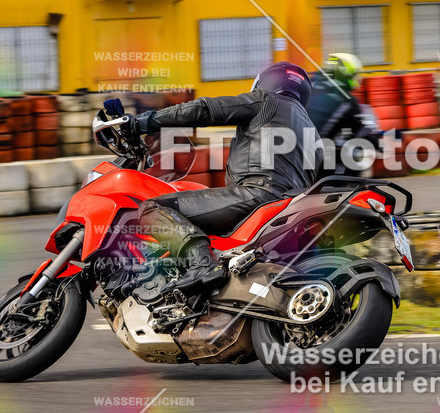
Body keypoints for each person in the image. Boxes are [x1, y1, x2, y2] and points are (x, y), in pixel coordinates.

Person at [127, 61, 321, 304]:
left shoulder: (265, 101)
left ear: (266, 81)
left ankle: (202, 264)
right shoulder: (313, 132)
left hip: (256, 195)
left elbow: (206, 109)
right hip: (287, 208)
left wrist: (142, 122)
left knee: (152, 208)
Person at [306, 53, 380, 176]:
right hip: (314, 160)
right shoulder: (346, 101)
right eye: (354, 75)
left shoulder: (308, 85)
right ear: (345, 74)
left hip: (287, 151)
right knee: (351, 159)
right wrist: (380, 143)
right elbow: (363, 133)